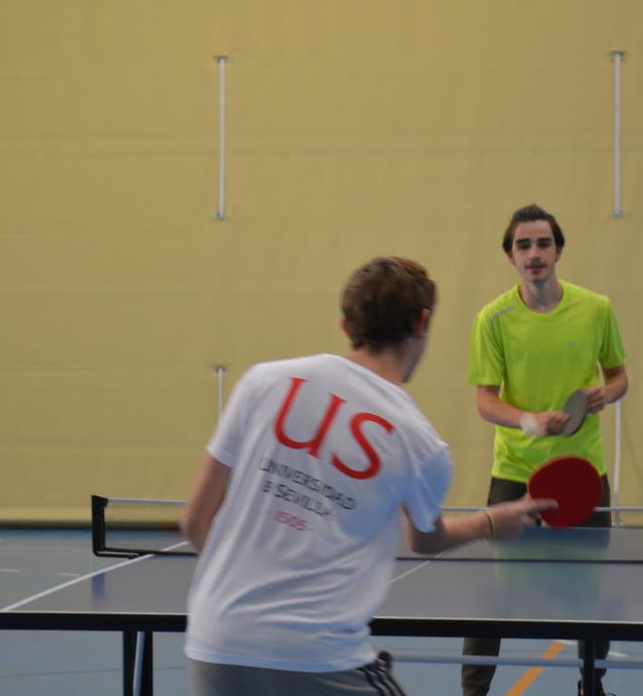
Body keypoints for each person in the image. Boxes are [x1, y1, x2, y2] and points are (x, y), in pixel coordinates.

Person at [180, 256, 555, 696]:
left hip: (215, 642)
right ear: (422, 323)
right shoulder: (419, 442)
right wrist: (493, 521)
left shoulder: (262, 382)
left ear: (346, 326)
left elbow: (193, 522)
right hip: (320, 654)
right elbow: (424, 539)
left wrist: (248, 608)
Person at [462, 205, 629, 696]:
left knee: (589, 590)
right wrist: (530, 422)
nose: (534, 254)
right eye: (523, 245)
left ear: (558, 250)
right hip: (515, 474)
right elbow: (485, 401)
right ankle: (474, 693)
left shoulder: (596, 308)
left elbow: (619, 376)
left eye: (542, 244)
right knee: (496, 596)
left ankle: (591, 687)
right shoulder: (493, 319)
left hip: (582, 473)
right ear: (511, 256)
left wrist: (608, 393)